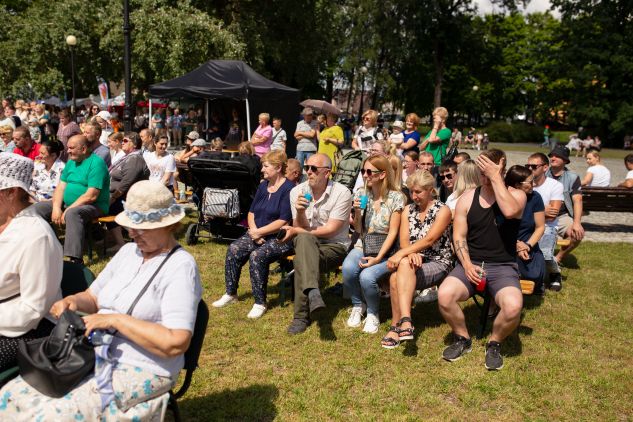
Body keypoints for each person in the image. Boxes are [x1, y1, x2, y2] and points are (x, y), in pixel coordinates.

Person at [0, 181, 202, 420]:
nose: (132, 233)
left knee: (50, 414)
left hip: (142, 366)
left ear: (169, 225)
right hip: (91, 354)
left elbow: (176, 342)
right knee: (11, 395)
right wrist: (73, 301)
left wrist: (115, 320)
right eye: (131, 226)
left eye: (142, 228)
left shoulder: (180, 267)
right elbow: (93, 296)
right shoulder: (129, 252)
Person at [438, 149, 526, 370]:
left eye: (489, 172)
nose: (484, 177)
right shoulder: (467, 198)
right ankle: (462, 338)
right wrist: (466, 264)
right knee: (445, 295)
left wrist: (497, 177)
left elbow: (508, 212)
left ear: (501, 170)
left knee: (514, 306)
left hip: (503, 266)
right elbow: (458, 236)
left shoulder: (517, 195)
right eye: (482, 172)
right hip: (471, 263)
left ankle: (494, 343)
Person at [212, 150, 294, 319]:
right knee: (234, 249)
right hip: (257, 232)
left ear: (278, 167)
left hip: (280, 237)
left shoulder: (289, 189)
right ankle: (230, 293)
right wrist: (254, 231)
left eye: (265, 166)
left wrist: (258, 232)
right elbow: (251, 212)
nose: (262, 169)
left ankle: (259, 303)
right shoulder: (263, 186)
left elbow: (283, 221)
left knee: (257, 255)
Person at [0, 153, 63, 372]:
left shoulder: (36, 237)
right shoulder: (3, 224)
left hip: (29, 330)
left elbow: (32, 310)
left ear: (11, 193)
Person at [278, 153, 352, 335]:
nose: (308, 172)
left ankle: (300, 318)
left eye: (313, 169)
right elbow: (299, 226)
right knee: (304, 241)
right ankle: (313, 292)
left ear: (327, 173)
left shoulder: (342, 192)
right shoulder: (297, 191)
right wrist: (300, 212)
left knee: (302, 253)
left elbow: (331, 230)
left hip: (334, 245)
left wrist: (297, 231)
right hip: (306, 244)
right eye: (306, 168)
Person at [381, 170, 453, 348]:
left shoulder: (443, 210)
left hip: (438, 260)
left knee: (397, 275)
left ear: (430, 190)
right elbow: (404, 240)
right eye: (412, 191)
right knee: (396, 275)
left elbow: (430, 240)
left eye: (418, 192)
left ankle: (399, 324)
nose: (414, 196)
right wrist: (409, 252)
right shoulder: (408, 210)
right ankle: (404, 323)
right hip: (412, 259)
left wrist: (401, 254)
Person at [342, 155, 404, 334]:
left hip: (388, 249)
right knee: (348, 268)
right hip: (365, 243)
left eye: (369, 171)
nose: (365, 175)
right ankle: (357, 305)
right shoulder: (362, 193)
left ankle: (372, 313)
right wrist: (357, 212)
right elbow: (359, 229)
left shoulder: (396, 197)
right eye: (363, 171)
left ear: (383, 174)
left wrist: (377, 259)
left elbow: (393, 232)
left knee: (367, 276)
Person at [32, 135, 110, 264]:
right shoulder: (71, 162)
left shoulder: (97, 163)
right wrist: (56, 208)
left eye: (71, 148)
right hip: (69, 204)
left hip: (95, 205)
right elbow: (61, 187)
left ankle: (74, 260)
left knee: (73, 213)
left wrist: (68, 209)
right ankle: (46, 248)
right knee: (35, 209)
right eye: (68, 148)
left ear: (84, 149)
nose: (67, 151)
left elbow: (91, 195)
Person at [527, 152, 564, 293]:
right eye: (527, 166)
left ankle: (555, 273)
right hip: (527, 225)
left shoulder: (555, 186)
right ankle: (536, 279)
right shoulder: (523, 184)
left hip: (548, 227)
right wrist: (542, 210)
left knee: (545, 254)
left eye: (534, 166)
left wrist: (529, 212)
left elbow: (552, 216)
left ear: (545, 167)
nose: (529, 169)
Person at [505, 165, 546, 291]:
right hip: (505, 243)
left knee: (534, 276)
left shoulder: (535, 197)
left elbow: (540, 227)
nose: (533, 184)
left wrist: (527, 245)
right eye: (530, 182)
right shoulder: (503, 199)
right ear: (517, 185)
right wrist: (515, 244)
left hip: (527, 242)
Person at [108, 132, 150, 251]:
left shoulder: (135, 158)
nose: (122, 142)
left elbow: (126, 183)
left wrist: (113, 197)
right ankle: (119, 243)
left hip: (126, 198)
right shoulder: (127, 157)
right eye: (122, 140)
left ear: (135, 144)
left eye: (125, 141)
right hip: (119, 196)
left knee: (104, 209)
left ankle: (143, 238)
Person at [547, 146, 584, 266]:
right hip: (541, 214)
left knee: (576, 235)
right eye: (552, 155)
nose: (553, 157)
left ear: (565, 160)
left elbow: (578, 200)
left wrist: (577, 223)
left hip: (562, 216)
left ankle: (557, 259)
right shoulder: (542, 172)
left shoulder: (572, 177)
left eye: (557, 156)